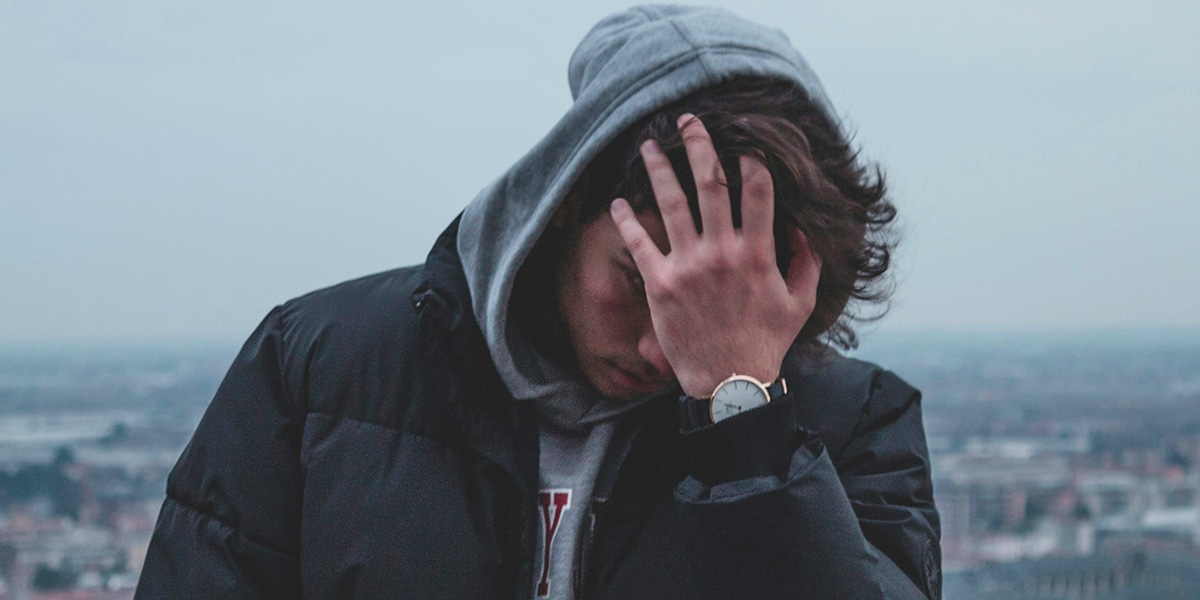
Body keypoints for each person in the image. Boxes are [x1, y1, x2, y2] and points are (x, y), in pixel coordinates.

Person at [135, 5, 940, 599]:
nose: (669, 352)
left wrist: (745, 416)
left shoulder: (849, 425)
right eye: (640, 281)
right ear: (562, 202)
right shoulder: (319, 369)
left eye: (717, 303)